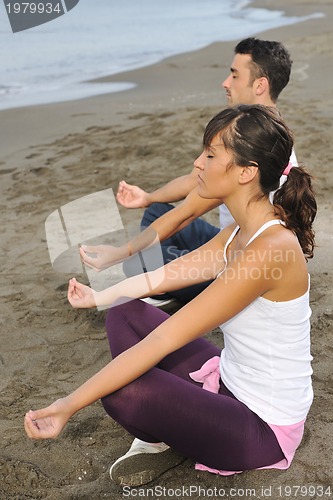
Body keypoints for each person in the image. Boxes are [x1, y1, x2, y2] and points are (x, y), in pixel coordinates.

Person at [25, 105, 316, 488]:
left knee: (124, 391)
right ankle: (171, 431)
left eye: (210, 155)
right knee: (125, 312)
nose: (198, 163)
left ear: (246, 172)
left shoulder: (270, 248)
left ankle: (170, 434)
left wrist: (67, 407)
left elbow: (165, 339)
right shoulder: (239, 233)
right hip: (228, 381)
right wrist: (99, 296)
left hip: (263, 428)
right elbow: (161, 277)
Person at [80, 38, 297, 304]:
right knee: (156, 211)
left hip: (244, 260)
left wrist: (119, 253)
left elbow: (187, 212)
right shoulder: (265, 134)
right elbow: (195, 180)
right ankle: (165, 275)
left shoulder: (250, 150)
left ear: (260, 84)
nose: (225, 83)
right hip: (230, 241)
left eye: (234, 74)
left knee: (137, 264)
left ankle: (173, 285)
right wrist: (148, 197)